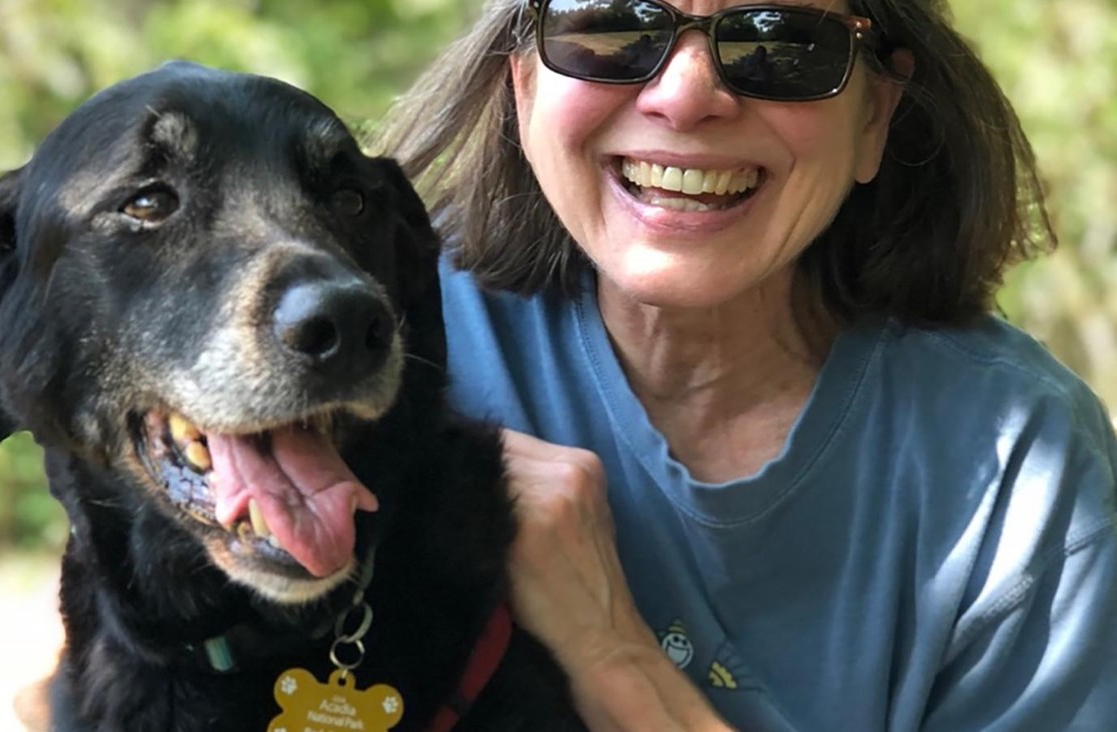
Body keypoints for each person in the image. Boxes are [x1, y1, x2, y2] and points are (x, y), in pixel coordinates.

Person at [374, 0, 1117, 729]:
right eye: (613, 24)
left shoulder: (1020, 467)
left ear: (873, 118)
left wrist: (610, 657)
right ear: (523, 82)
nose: (686, 96)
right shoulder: (375, 341)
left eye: (782, 39)